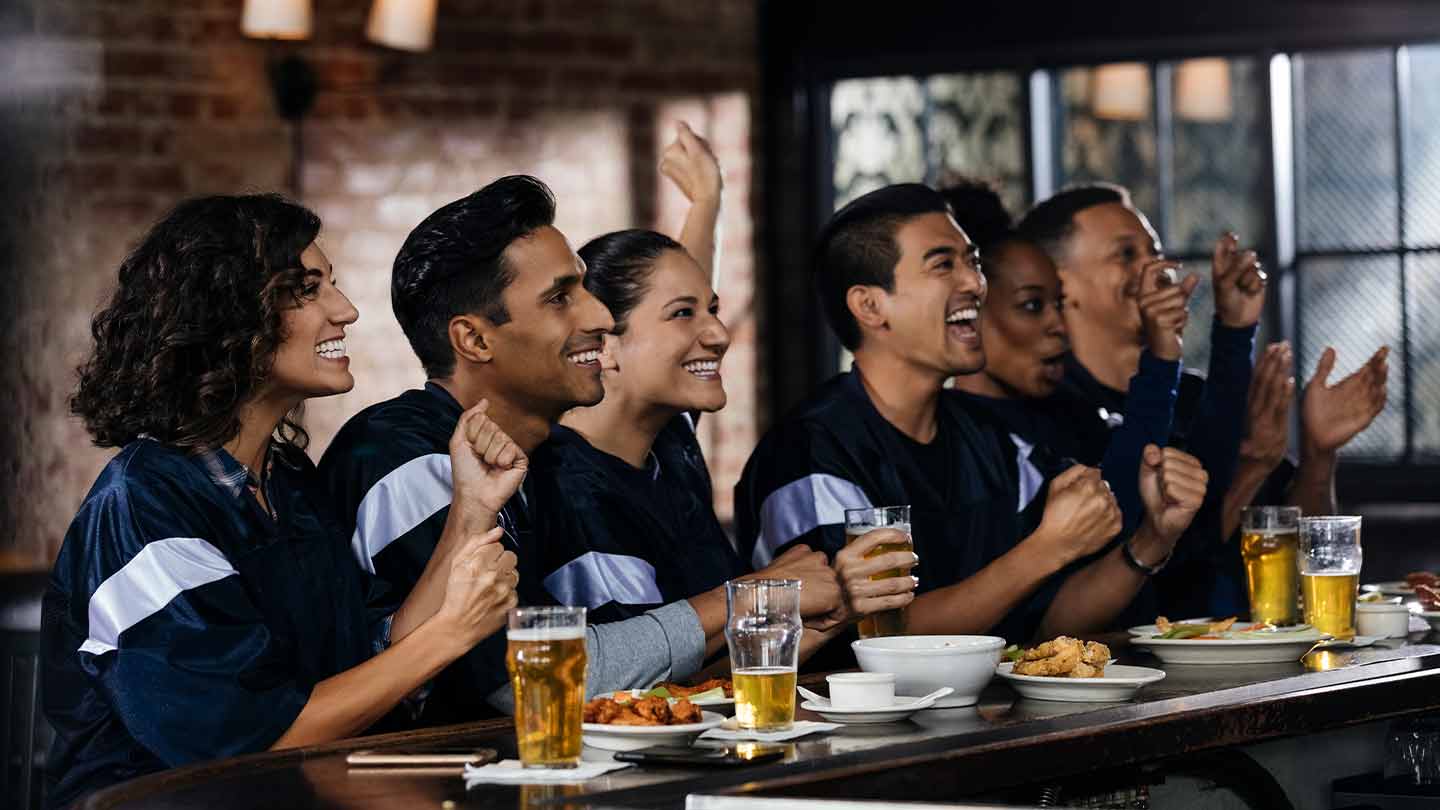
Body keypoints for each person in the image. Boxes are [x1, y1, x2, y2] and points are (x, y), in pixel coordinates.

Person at [42, 195, 519, 808]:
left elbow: (373, 663)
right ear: (225, 316)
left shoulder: (288, 481)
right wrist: (453, 633)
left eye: (333, 286)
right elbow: (253, 737)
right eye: (307, 289)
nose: (344, 310)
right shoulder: (143, 507)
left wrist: (471, 509)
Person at [319, 172, 845, 722]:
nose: (598, 318)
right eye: (560, 299)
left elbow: (630, 677)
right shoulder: (410, 458)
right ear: (474, 340)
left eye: (586, 289)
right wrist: (750, 597)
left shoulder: (538, 458)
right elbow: (522, 680)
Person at [734, 184, 1206, 646]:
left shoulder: (997, 440)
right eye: (944, 265)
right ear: (870, 306)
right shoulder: (810, 452)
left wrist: (1150, 541)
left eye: (973, 263)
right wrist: (1041, 551)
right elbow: (871, 643)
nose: (975, 284)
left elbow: (1052, 626)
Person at [1017, 183, 1388, 617]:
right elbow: (1153, 566)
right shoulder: (1049, 409)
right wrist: (1251, 466)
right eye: (1126, 255)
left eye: (1154, 251)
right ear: (1061, 285)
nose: (1153, 267)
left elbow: (1297, 543)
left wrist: (1319, 452)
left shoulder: (1197, 396)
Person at [942, 180, 1195, 531]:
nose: (1058, 324)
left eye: (1058, 304)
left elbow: (1124, 519)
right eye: (1032, 305)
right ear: (970, 313)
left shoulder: (1073, 417)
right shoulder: (952, 441)